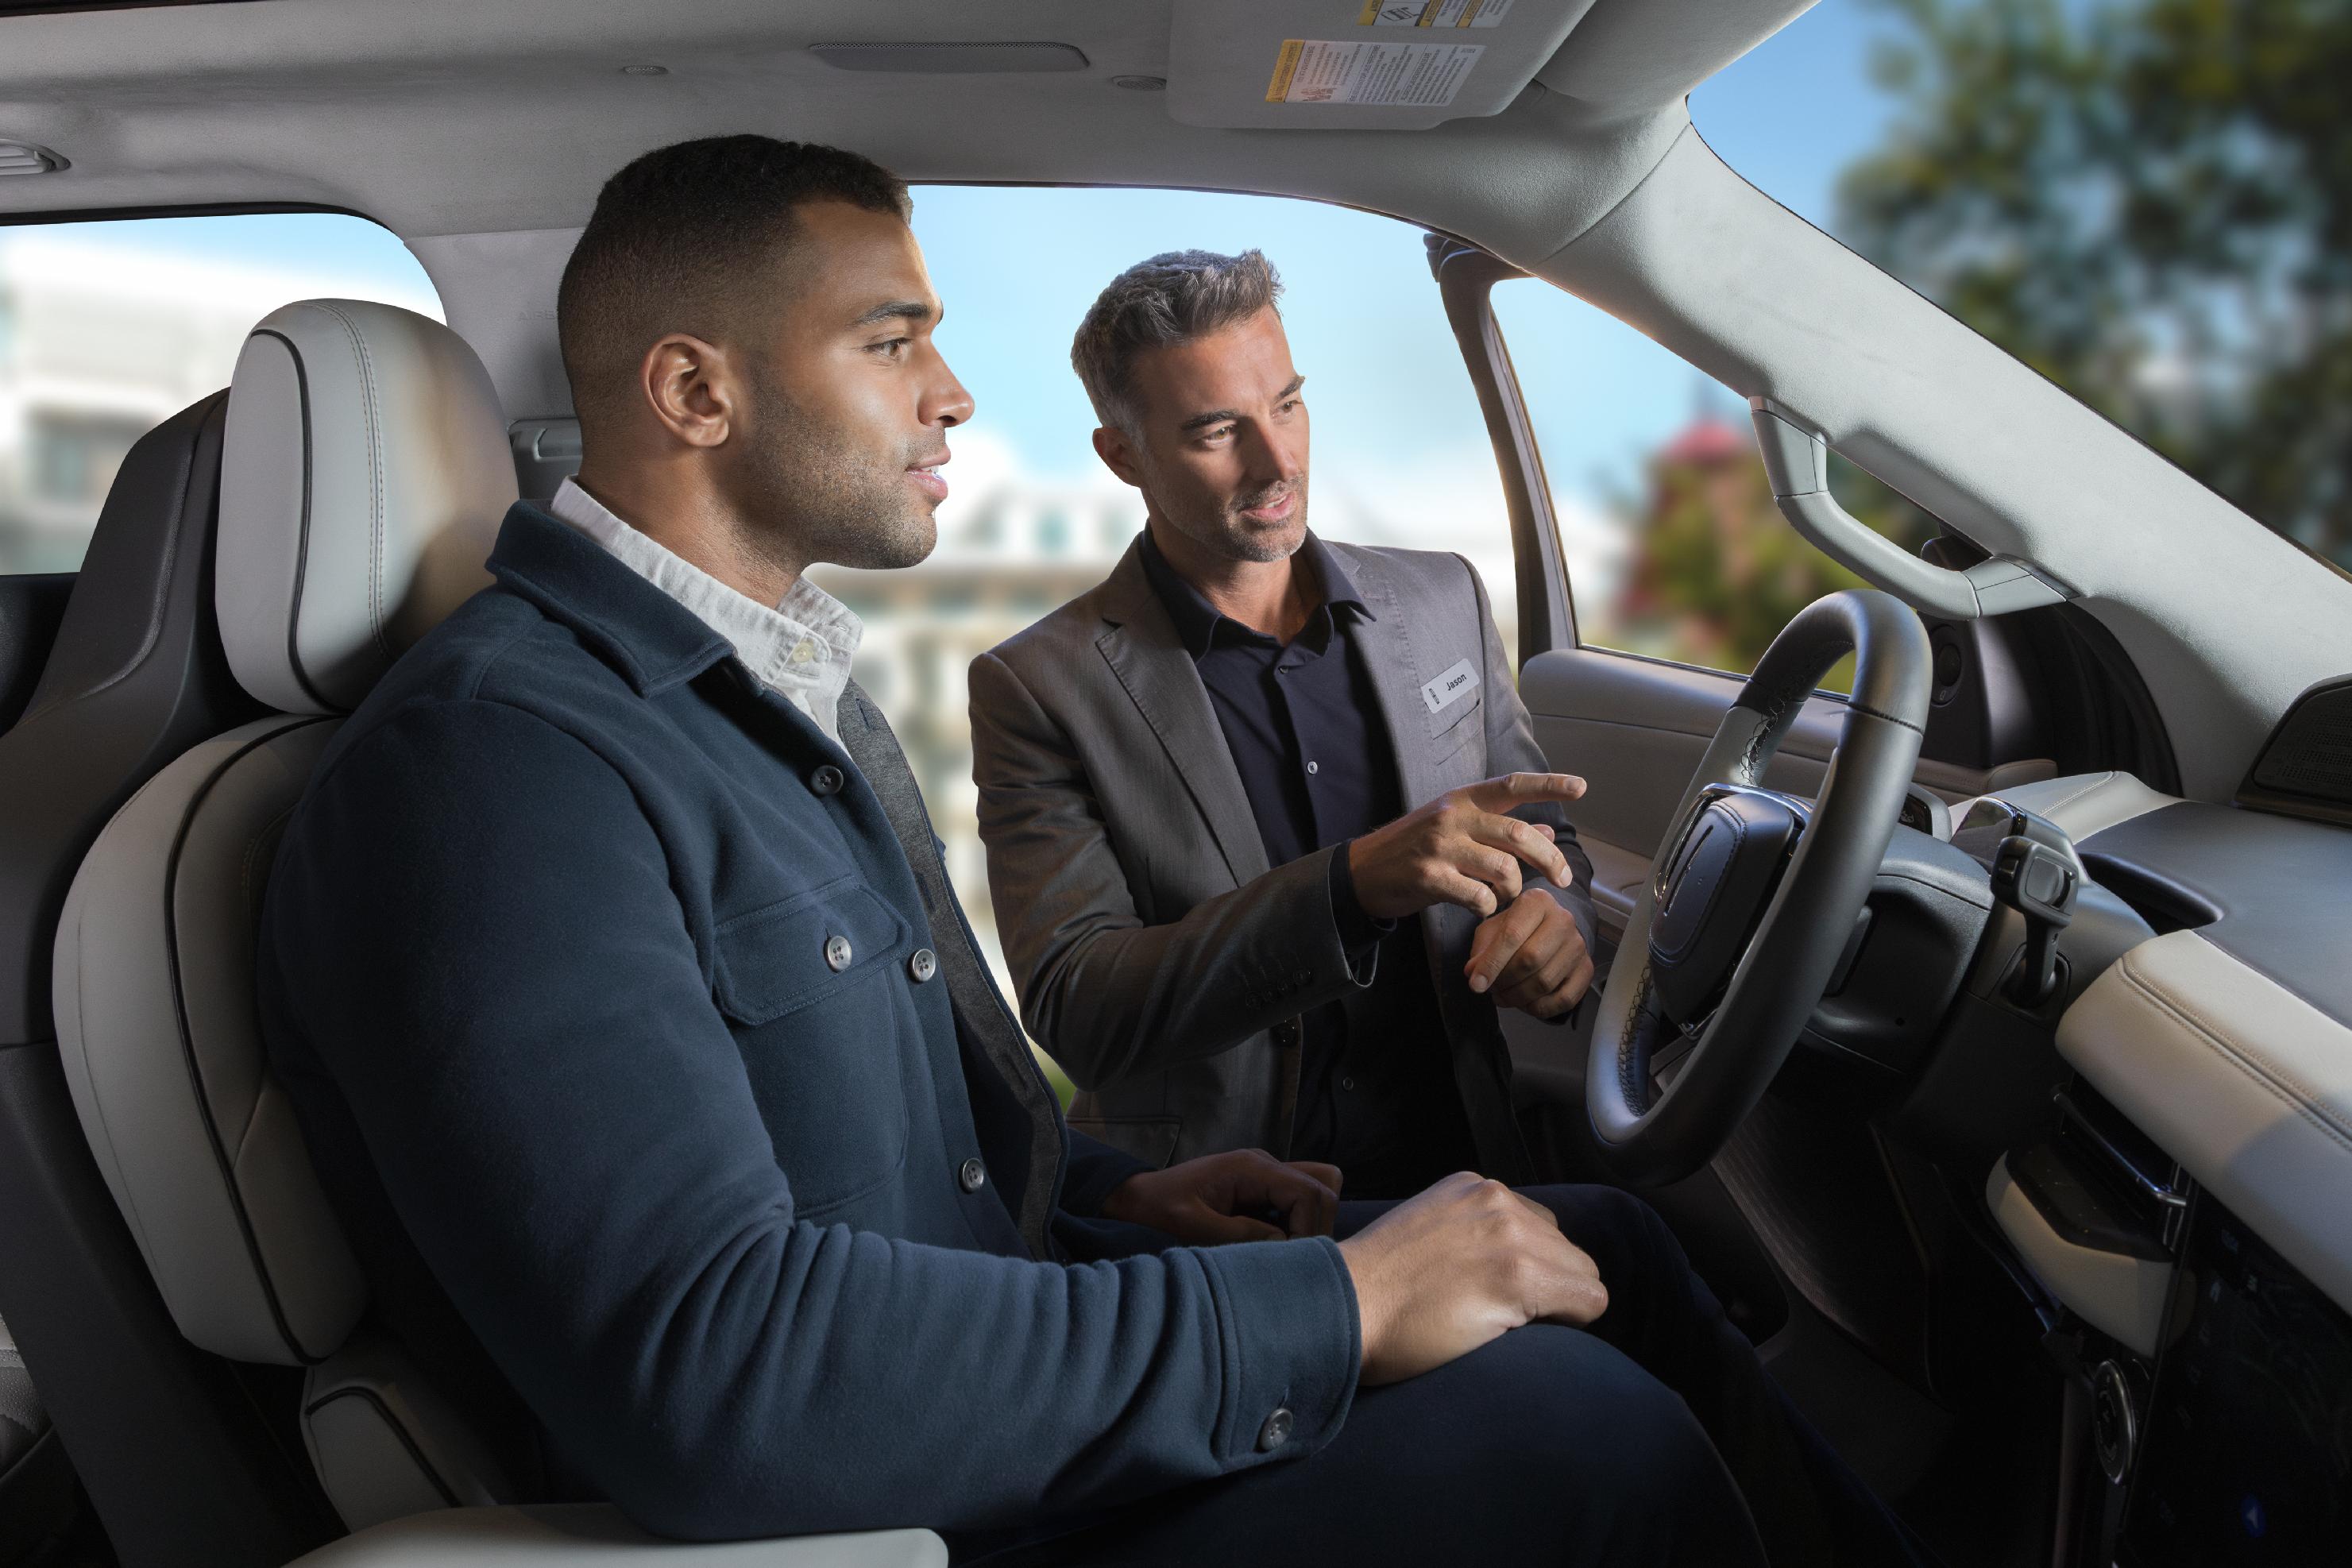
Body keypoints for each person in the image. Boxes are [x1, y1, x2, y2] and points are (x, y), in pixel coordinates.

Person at [257, 134, 1909, 1566]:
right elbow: (720, 1372)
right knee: (1586, 1439)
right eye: (892, 338)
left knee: (1599, 1250)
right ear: (695, 392)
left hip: (1006, 1334)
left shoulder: (759, 690)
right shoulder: (500, 767)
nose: (953, 391)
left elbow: (900, 1151)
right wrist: (1334, 1308)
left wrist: (1103, 1191)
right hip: (917, 1518)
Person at [970, 247, 1597, 1197]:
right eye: (1219, 430)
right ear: (1123, 454)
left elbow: (1543, 835)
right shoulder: (1038, 686)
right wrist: (1347, 891)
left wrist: (1557, 917)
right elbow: (1078, 1010)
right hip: (1233, 1222)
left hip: (1467, 1172)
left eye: (1288, 405)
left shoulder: (1444, 600)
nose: (1277, 463)